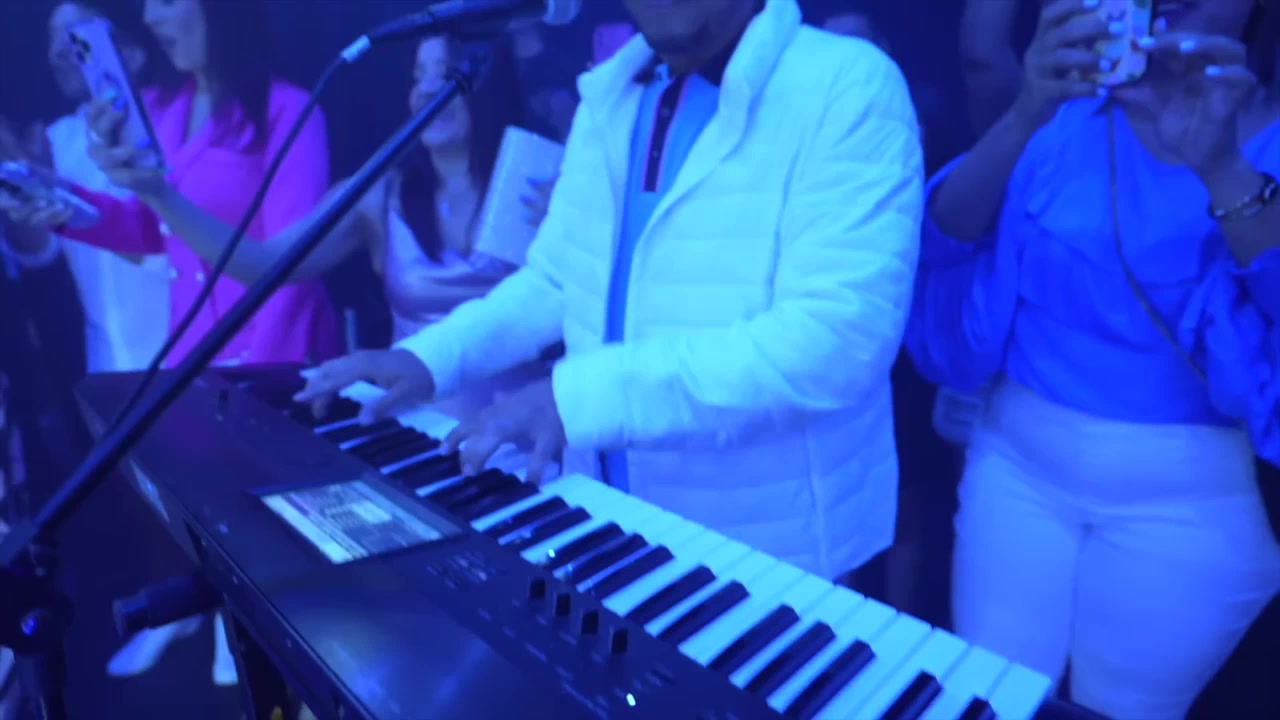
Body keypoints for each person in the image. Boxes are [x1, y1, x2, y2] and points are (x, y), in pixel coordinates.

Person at [299, 0, 923, 581]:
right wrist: (428, 360)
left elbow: (834, 343)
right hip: (610, 528)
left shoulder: (847, 84)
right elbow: (556, 279)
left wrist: (575, 398)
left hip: (776, 562)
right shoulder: (613, 93)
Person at [907, 1, 1280, 717]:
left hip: (1195, 506)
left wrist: (1222, 168)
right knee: (987, 698)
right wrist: (1024, 111)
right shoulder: (1064, 108)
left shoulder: (1262, 140)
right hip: (1015, 464)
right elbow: (943, 244)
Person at [81, 33, 556, 414]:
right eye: (418, 75)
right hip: (422, 433)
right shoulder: (379, 194)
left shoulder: (543, 181)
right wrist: (157, 193)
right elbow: (266, 263)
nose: (429, 89)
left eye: (447, 72)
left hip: (530, 434)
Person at [1, 0, 339, 369]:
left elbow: (291, 269)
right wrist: (62, 202)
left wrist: (262, 373)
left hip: (272, 363)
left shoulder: (287, 111)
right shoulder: (166, 109)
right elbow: (150, 229)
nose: (150, 17)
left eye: (166, 1)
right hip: (192, 363)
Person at [0, 0, 169, 375]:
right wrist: (17, 180)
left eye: (73, 35)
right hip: (109, 369)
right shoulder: (57, 140)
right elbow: (41, 253)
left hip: (196, 358)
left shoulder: (182, 123)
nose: (57, 52)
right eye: (51, 38)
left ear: (132, 52)